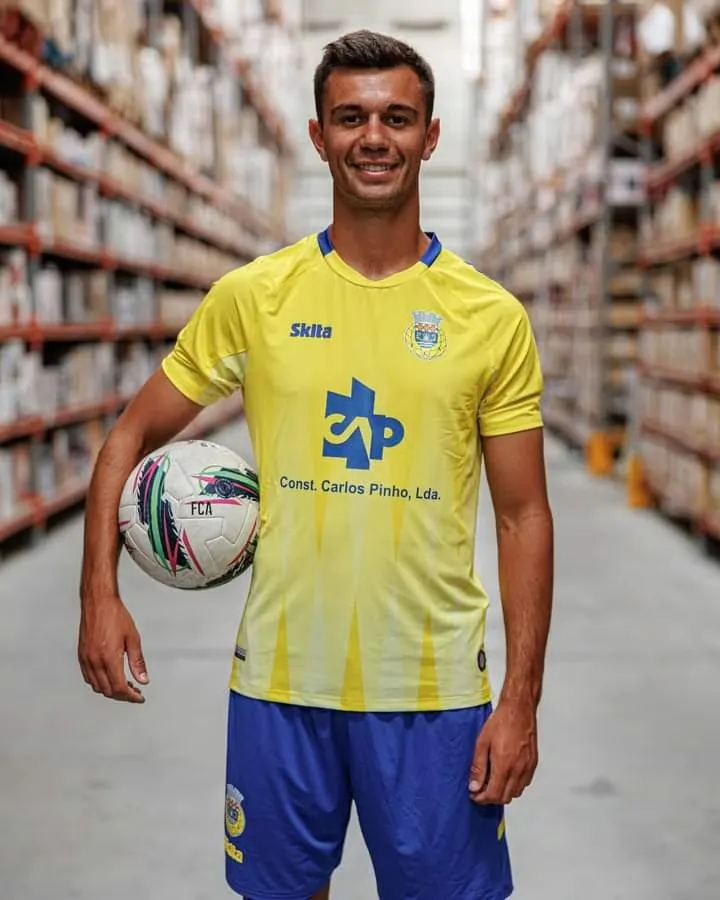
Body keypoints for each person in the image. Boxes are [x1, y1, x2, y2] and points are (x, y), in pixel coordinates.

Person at [78, 29, 554, 900]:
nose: (374, 137)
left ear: (431, 136)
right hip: (280, 682)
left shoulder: (490, 318)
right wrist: (98, 595)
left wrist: (521, 698)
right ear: (317, 135)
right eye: (351, 118)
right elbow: (128, 438)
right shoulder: (254, 298)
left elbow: (524, 516)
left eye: (397, 118)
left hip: (434, 691)